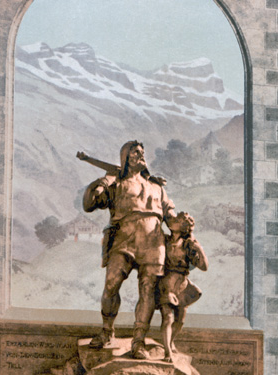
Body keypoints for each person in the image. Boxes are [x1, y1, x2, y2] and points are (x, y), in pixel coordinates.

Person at [82, 140, 194, 358]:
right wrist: (99, 185)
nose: (141, 156)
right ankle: (107, 331)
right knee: (111, 283)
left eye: (142, 152)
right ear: (125, 158)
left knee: (148, 291)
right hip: (124, 239)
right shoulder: (117, 183)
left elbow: (171, 219)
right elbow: (90, 204)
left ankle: (138, 341)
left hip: (153, 243)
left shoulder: (157, 187)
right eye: (135, 153)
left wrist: (183, 224)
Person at [157, 217, 208, 362]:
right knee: (167, 317)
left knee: (180, 321)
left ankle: (170, 341)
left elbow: (204, 267)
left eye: (177, 220)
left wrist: (199, 249)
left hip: (182, 284)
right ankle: (167, 352)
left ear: (183, 227)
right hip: (166, 283)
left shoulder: (188, 245)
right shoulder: (164, 240)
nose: (173, 221)